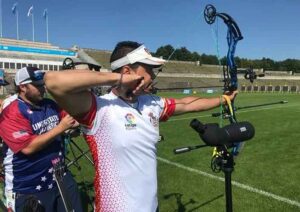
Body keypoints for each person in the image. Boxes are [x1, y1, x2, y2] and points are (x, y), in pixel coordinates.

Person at [44, 41, 237, 212]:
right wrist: (118, 79)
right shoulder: (99, 108)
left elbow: (187, 104)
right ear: (127, 71)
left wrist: (223, 99)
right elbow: (53, 82)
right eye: (149, 69)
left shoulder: (150, 104)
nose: (153, 75)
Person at [0, 67, 83, 212]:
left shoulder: (50, 104)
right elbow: (28, 147)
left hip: (60, 176)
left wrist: (73, 126)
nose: (42, 88)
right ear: (23, 87)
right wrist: (60, 128)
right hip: (28, 185)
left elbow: (69, 124)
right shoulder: (12, 113)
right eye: (37, 85)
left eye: (42, 84)